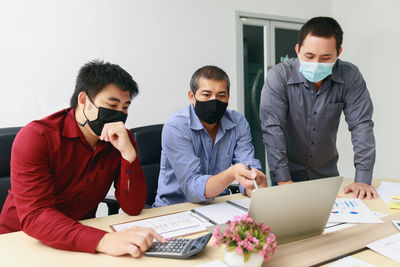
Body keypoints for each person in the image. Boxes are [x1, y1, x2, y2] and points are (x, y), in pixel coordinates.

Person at [0, 60, 164, 257]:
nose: (119, 114)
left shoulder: (121, 139)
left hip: (78, 242)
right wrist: (103, 240)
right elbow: (36, 216)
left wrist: (129, 156)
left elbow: (133, 207)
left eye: (125, 107)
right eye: (112, 104)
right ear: (84, 100)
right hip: (19, 242)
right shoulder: (37, 137)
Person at [259, 17, 377, 199]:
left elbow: (361, 125)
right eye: (309, 56)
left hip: (327, 177)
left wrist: (363, 178)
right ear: (298, 49)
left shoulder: (350, 76)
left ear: (338, 52)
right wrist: (283, 181)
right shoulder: (279, 76)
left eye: (325, 58)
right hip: (286, 176)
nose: (316, 63)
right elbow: (272, 128)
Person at [154, 65, 267, 207]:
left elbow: (247, 165)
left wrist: (252, 183)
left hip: (218, 205)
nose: (214, 101)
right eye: (206, 95)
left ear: (228, 97)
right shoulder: (176, 127)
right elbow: (192, 189)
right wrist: (232, 173)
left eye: (221, 96)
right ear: (192, 96)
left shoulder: (238, 123)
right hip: (174, 209)